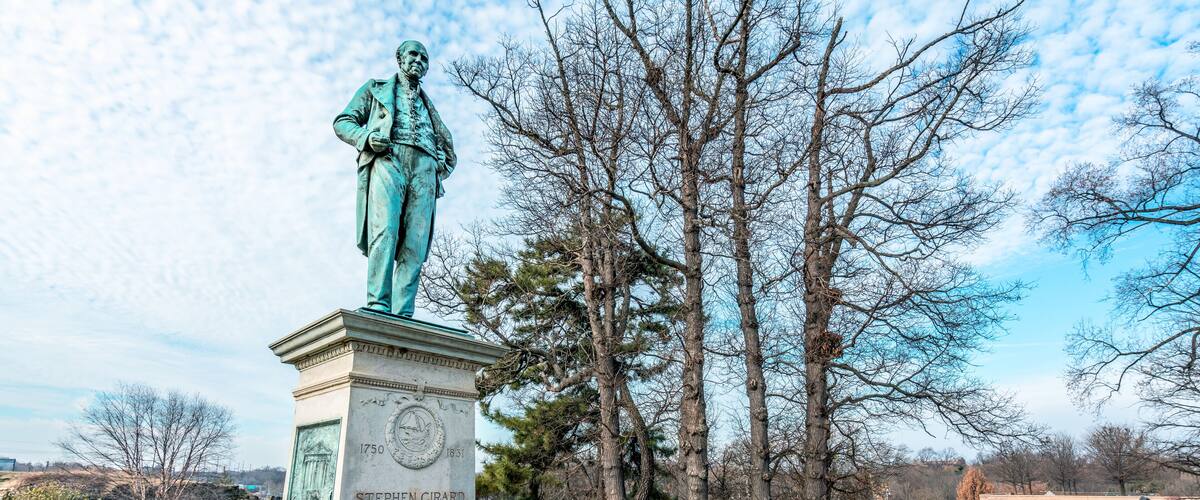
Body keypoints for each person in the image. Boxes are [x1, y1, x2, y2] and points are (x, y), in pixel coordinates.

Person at [333, 40, 456, 317]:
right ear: (399, 58)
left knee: (416, 241)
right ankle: (379, 303)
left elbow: (448, 151)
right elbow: (343, 122)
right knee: (385, 232)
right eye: (413, 54)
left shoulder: (429, 106)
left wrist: (439, 164)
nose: (419, 60)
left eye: (424, 58)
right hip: (389, 160)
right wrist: (365, 137)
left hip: (424, 168)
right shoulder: (375, 89)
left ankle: (403, 313)